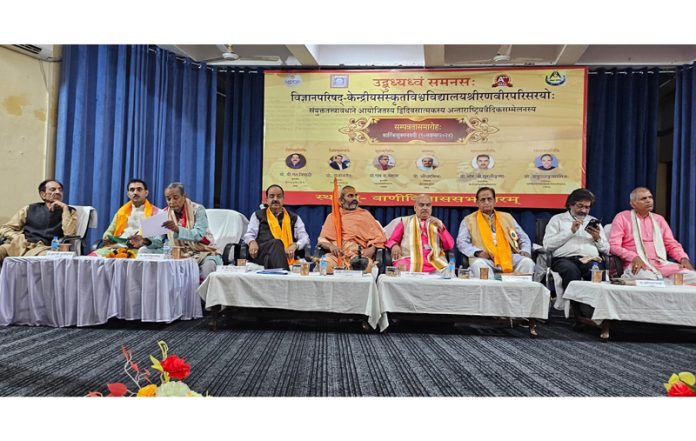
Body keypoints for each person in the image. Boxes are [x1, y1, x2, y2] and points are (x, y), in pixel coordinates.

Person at [543, 188, 609, 320]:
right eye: (580, 206)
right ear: (571, 204)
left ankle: (594, 312)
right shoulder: (557, 220)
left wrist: (597, 238)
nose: (583, 210)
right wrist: (570, 231)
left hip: (590, 259)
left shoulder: (594, 221)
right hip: (564, 260)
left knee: (596, 271)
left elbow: (606, 250)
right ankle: (576, 313)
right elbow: (547, 245)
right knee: (570, 271)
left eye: (587, 207)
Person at [609, 187, 695, 283]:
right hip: (638, 265)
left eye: (650, 197)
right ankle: (665, 282)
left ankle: (665, 282)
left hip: (662, 265)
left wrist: (683, 259)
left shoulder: (659, 220)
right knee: (648, 280)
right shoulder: (622, 217)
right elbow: (614, 246)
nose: (648, 201)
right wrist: (634, 257)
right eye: (643, 198)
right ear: (633, 204)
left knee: (693, 277)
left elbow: (671, 244)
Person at [143, 182, 221, 280]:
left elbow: (199, 234)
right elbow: (158, 241)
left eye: (175, 198)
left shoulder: (198, 209)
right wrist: (144, 241)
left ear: (184, 196)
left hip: (202, 252)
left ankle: (203, 295)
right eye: (168, 199)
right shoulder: (164, 213)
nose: (171, 202)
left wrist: (177, 229)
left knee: (208, 267)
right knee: (144, 250)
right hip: (176, 253)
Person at [456, 187, 534, 278]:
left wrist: (525, 250)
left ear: (494, 201)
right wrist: (477, 252)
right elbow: (461, 242)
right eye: (483, 200)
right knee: (479, 265)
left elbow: (523, 237)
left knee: (527, 262)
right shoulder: (468, 220)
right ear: (477, 203)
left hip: (508, 257)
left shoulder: (507, 217)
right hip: (485, 259)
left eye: (489, 199)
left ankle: (517, 292)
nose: (486, 202)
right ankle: (490, 292)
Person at [0, 179, 77, 263]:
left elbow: (69, 234)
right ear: (43, 194)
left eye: (60, 190)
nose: (58, 192)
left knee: (43, 259)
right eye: (53, 189)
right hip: (20, 246)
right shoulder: (29, 209)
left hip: (44, 248)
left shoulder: (70, 211)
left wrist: (65, 209)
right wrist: (16, 237)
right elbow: (5, 228)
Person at [318, 185, 386, 273]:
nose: (355, 198)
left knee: (366, 266)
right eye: (350, 196)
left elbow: (378, 238)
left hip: (358, 255)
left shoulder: (365, 215)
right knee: (325, 265)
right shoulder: (333, 217)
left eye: (355, 195)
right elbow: (322, 239)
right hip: (338, 255)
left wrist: (372, 249)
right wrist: (331, 246)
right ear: (341, 200)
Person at [243, 184, 310, 270]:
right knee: (276, 243)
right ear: (266, 200)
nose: (275, 199)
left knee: (277, 245)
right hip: (262, 253)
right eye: (271, 196)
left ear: (283, 200)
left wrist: (295, 245)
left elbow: (305, 238)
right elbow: (249, 234)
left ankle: (281, 273)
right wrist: (252, 242)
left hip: (286, 255)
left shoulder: (294, 218)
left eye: (279, 196)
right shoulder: (257, 215)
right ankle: (284, 276)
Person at [385, 194, 454, 273]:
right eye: (421, 205)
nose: (425, 208)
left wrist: (441, 229)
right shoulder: (405, 222)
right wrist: (394, 245)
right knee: (402, 268)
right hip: (409, 259)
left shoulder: (437, 223)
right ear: (415, 208)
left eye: (428, 205)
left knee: (447, 272)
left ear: (431, 208)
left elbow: (449, 246)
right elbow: (392, 240)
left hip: (433, 260)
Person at [93, 179, 160, 256]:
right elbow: (109, 231)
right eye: (132, 190)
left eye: (139, 189)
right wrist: (107, 237)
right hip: (117, 247)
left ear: (146, 193)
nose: (135, 192)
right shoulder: (121, 212)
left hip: (140, 250)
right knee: (92, 258)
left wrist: (143, 241)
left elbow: (158, 242)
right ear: (128, 194)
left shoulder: (156, 213)